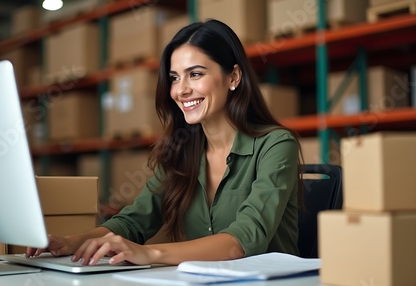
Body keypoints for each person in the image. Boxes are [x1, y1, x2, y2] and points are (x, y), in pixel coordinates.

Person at [27, 19, 302, 266]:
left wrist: (151, 253)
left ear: (233, 77)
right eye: (174, 78)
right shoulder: (182, 150)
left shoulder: (276, 145)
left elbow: (241, 241)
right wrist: (73, 242)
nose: (181, 90)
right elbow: (135, 220)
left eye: (195, 74)